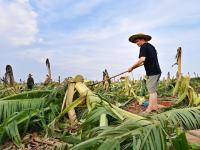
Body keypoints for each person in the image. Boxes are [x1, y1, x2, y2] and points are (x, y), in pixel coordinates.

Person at [127, 33, 161, 113]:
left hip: (152, 72)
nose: (137, 44)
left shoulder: (144, 47)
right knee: (153, 90)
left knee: (151, 91)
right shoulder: (151, 46)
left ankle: (149, 109)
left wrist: (131, 67)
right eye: (136, 42)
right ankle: (155, 106)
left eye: (137, 41)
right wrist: (134, 67)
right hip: (156, 71)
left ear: (142, 39)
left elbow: (142, 59)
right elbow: (145, 61)